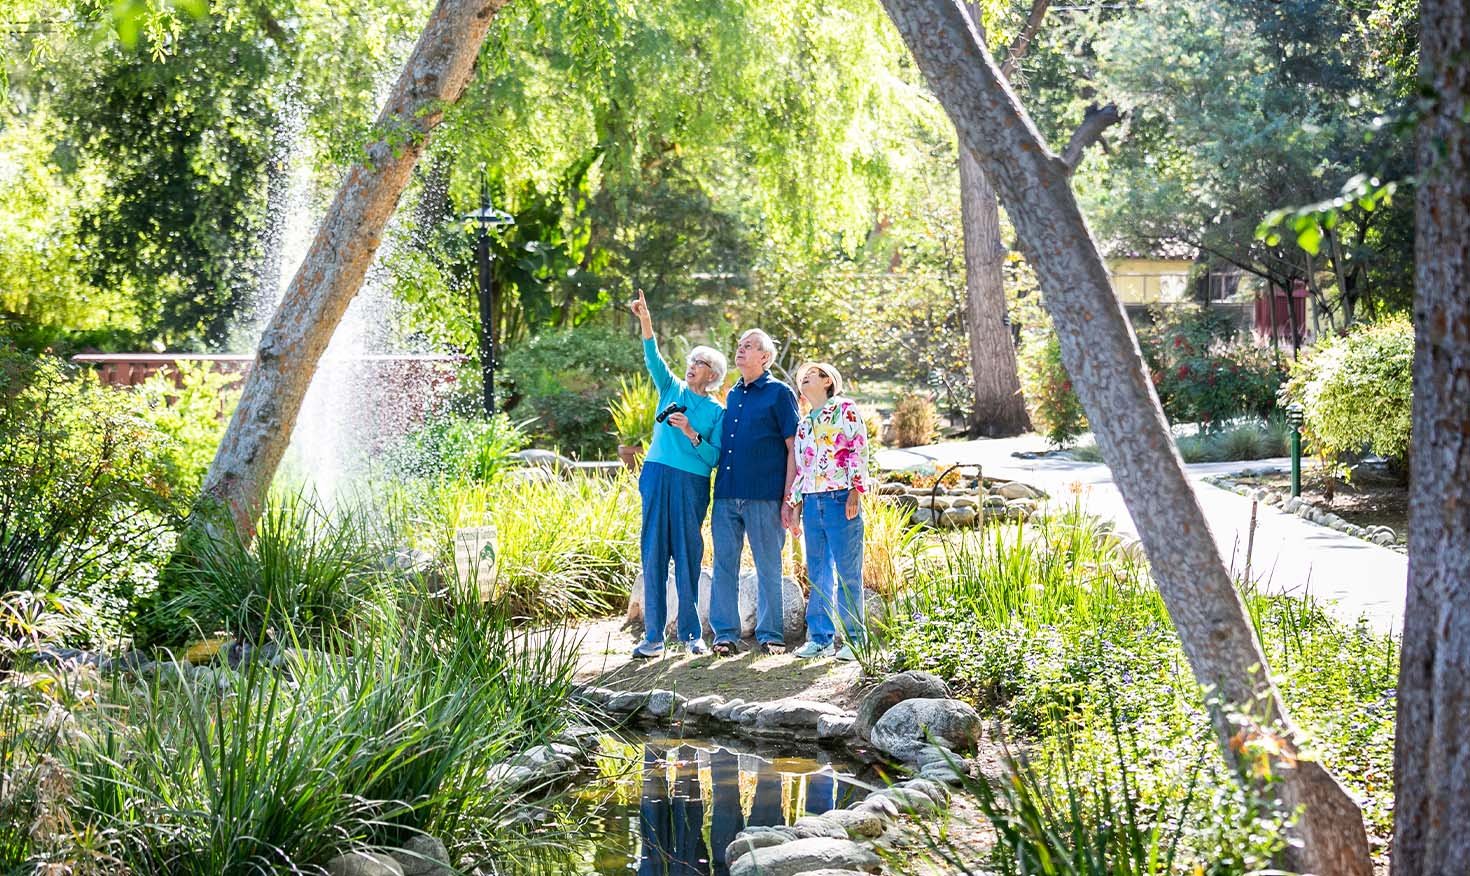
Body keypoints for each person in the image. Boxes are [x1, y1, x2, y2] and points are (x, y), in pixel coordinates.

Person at [629, 290, 727, 659]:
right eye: (691, 360)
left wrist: (690, 432)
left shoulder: (717, 412)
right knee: (653, 553)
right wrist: (645, 319)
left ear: (713, 374)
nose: (692, 365)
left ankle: (691, 635)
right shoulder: (671, 387)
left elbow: (715, 457)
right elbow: (652, 355)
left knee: (688, 555)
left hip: (691, 484)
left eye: (700, 362)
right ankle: (653, 637)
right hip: (656, 475)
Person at [708, 329, 800, 657]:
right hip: (726, 495)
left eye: (748, 346)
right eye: (739, 346)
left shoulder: (780, 393)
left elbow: (794, 448)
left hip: (765, 496)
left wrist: (789, 498)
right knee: (724, 565)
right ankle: (725, 635)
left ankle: (771, 635)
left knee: (768, 566)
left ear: (765, 356)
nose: (740, 350)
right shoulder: (731, 395)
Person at [787, 362, 868, 662]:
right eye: (801, 377)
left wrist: (855, 491)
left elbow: (858, 449)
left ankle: (856, 640)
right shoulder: (804, 423)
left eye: (811, 374)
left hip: (839, 499)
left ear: (827, 381)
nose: (804, 378)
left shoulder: (845, 409)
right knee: (818, 573)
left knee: (848, 573)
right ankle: (820, 639)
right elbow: (802, 468)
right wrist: (795, 505)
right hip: (811, 502)